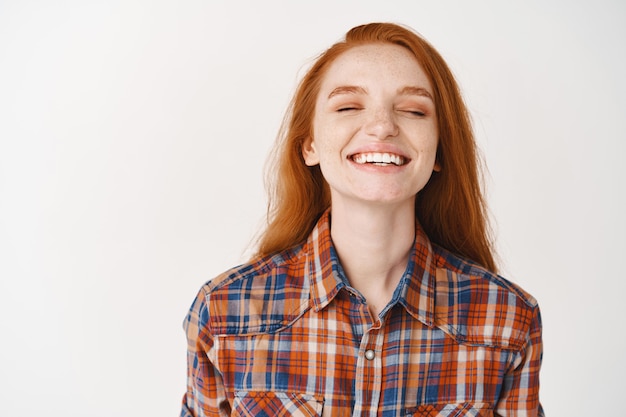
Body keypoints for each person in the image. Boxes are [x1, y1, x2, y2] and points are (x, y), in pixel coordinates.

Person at [181, 22, 543, 416]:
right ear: (310, 145)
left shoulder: (509, 319)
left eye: (413, 110)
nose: (383, 126)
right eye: (349, 106)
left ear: (439, 151)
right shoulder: (223, 312)